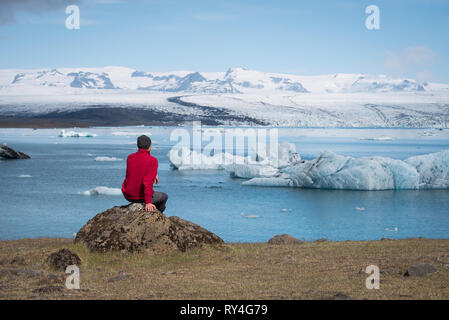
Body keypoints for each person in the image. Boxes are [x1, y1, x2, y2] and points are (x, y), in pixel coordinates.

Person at [122, 135, 168, 212]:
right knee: (164, 197)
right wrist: (148, 202)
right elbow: (147, 183)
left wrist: (153, 175)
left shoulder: (130, 157)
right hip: (139, 197)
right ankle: (155, 218)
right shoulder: (152, 160)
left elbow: (137, 171)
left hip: (128, 195)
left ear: (138, 145)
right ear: (150, 147)